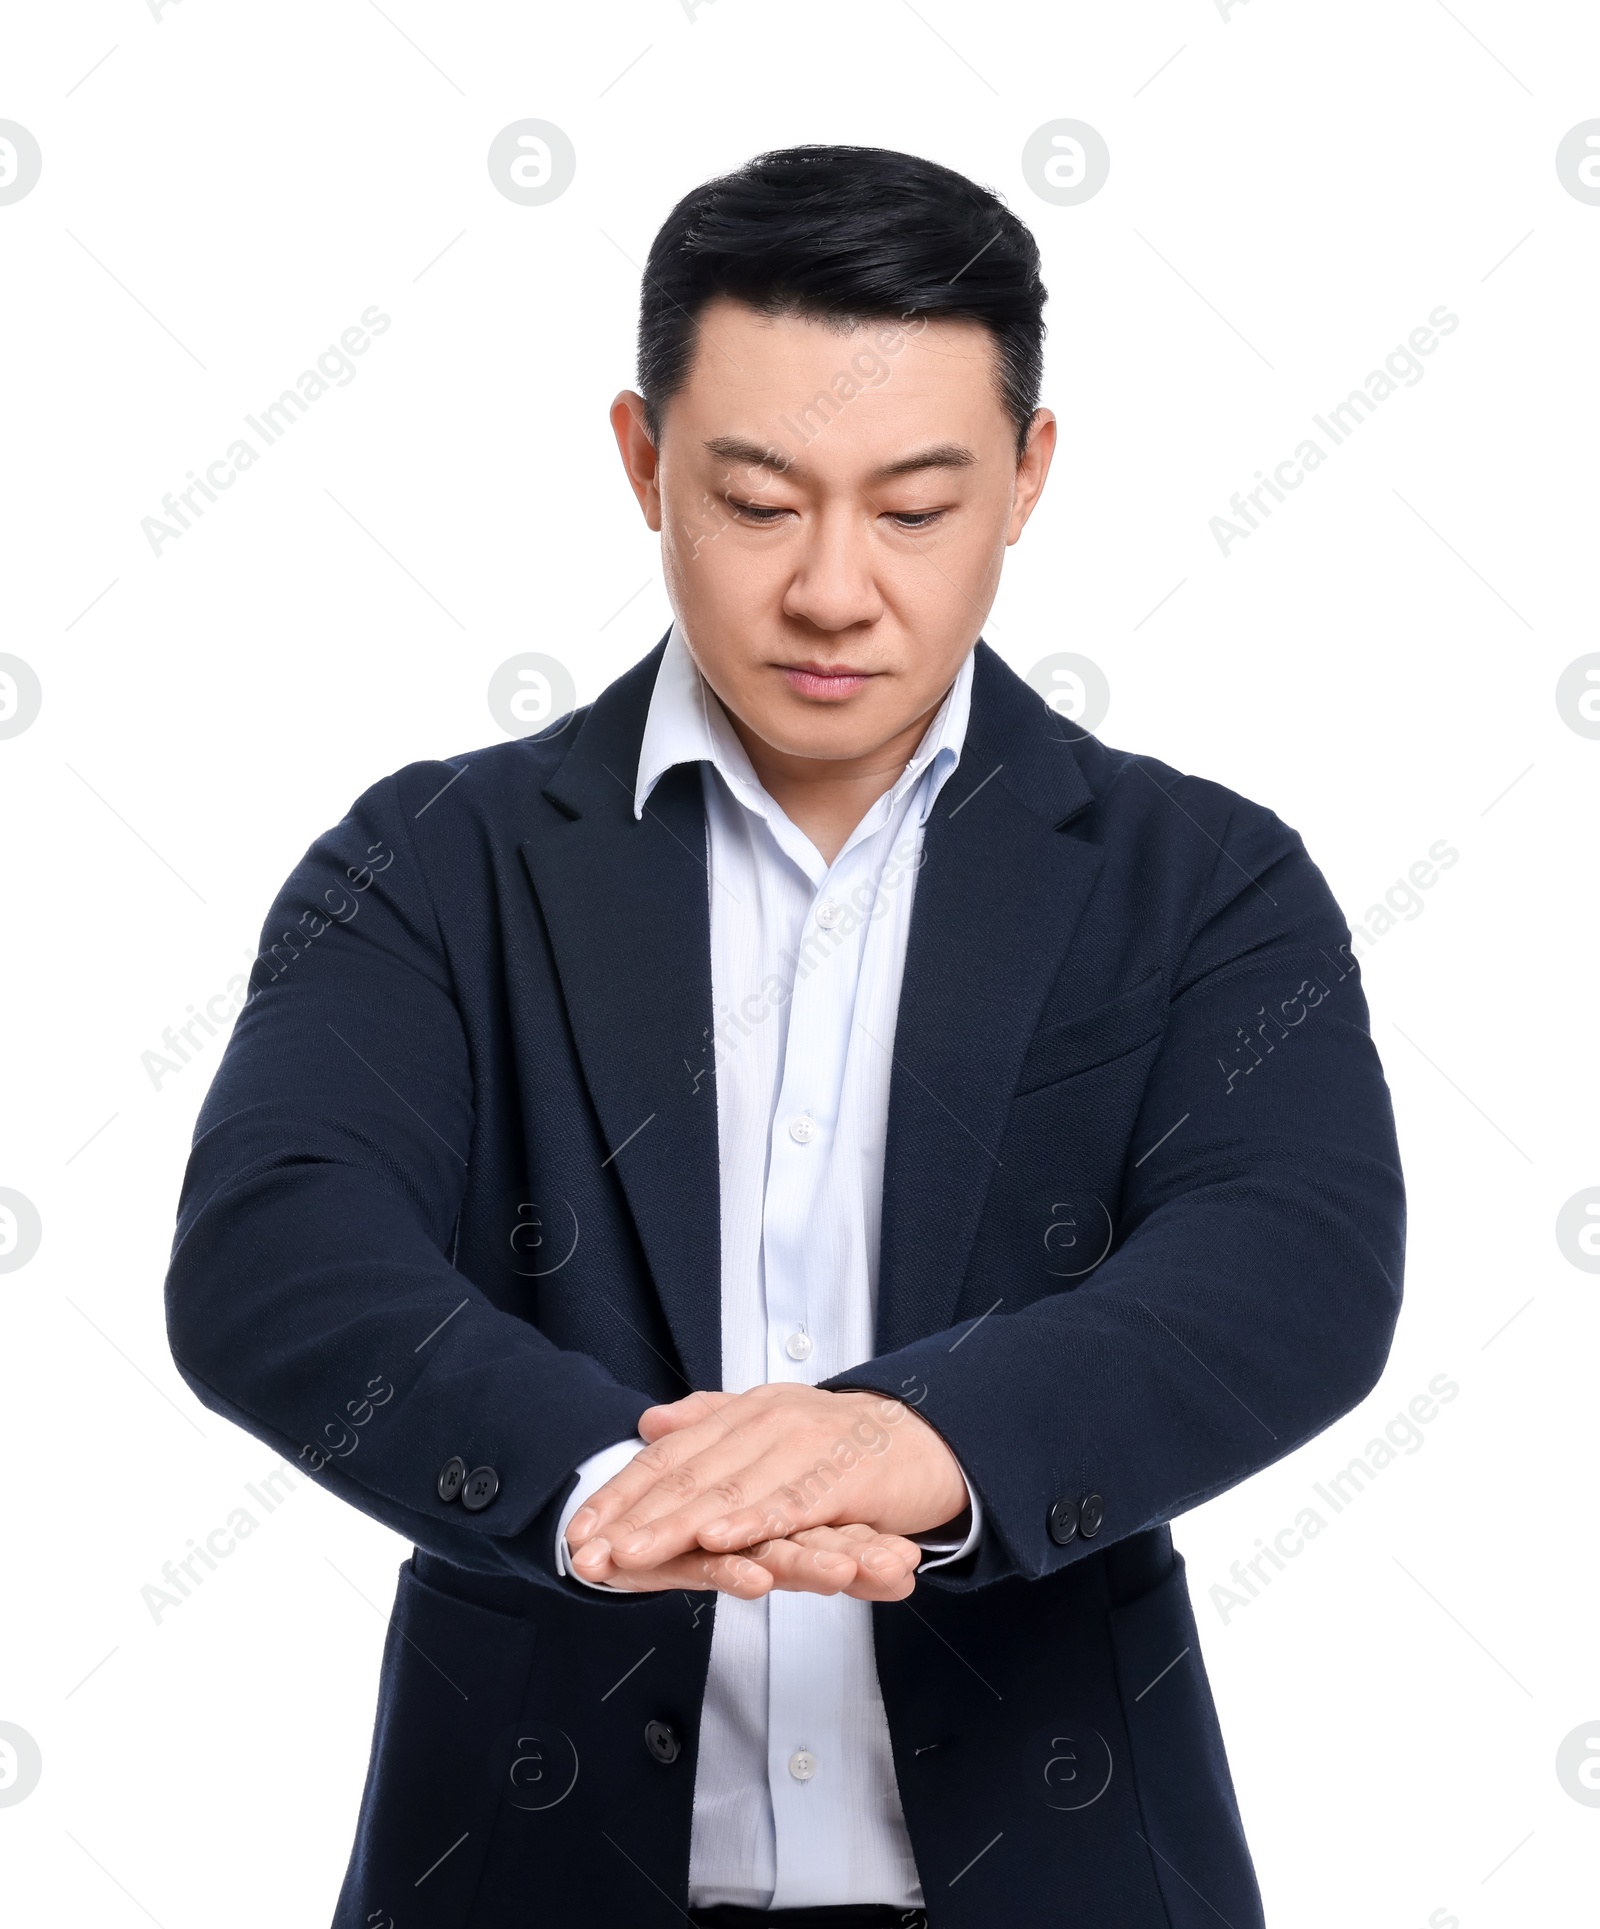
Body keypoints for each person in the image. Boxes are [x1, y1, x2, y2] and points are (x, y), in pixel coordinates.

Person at [164, 144, 1405, 1928]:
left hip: (1059, 1871)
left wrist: (922, 1439)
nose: (834, 589)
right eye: (758, 502)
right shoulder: (431, 861)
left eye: (913, 507)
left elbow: (1293, 1263)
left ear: (1028, 480)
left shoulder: (1202, 879)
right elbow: (277, 1249)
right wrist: (614, 1483)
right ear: (643, 461)